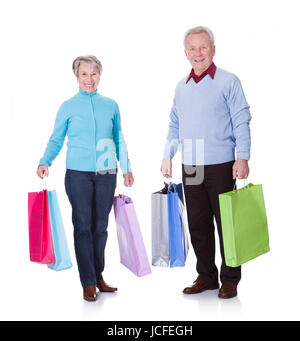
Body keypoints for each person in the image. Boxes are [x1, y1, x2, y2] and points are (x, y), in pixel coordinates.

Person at [161, 26, 251, 299]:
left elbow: (241, 119)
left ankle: (230, 279)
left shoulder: (228, 81)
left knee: (227, 224)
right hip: (191, 165)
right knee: (198, 224)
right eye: (192, 48)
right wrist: (168, 154)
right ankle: (206, 276)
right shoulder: (181, 86)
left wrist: (242, 156)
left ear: (213, 49)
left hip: (222, 162)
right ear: (185, 53)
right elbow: (174, 124)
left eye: (203, 47)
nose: (198, 53)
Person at [37, 55, 134, 302]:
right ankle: (88, 282)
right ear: (77, 77)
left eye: (93, 74)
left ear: (99, 76)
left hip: (105, 171)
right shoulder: (68, 106)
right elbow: (57, 138)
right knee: (83, 226)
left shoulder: (110, 105)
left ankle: (99, 275)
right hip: (77, 174)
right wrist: (45, 161)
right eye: (84, 74)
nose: (89, 79)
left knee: (100, 227)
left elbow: (118, 137)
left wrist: (126, 167)